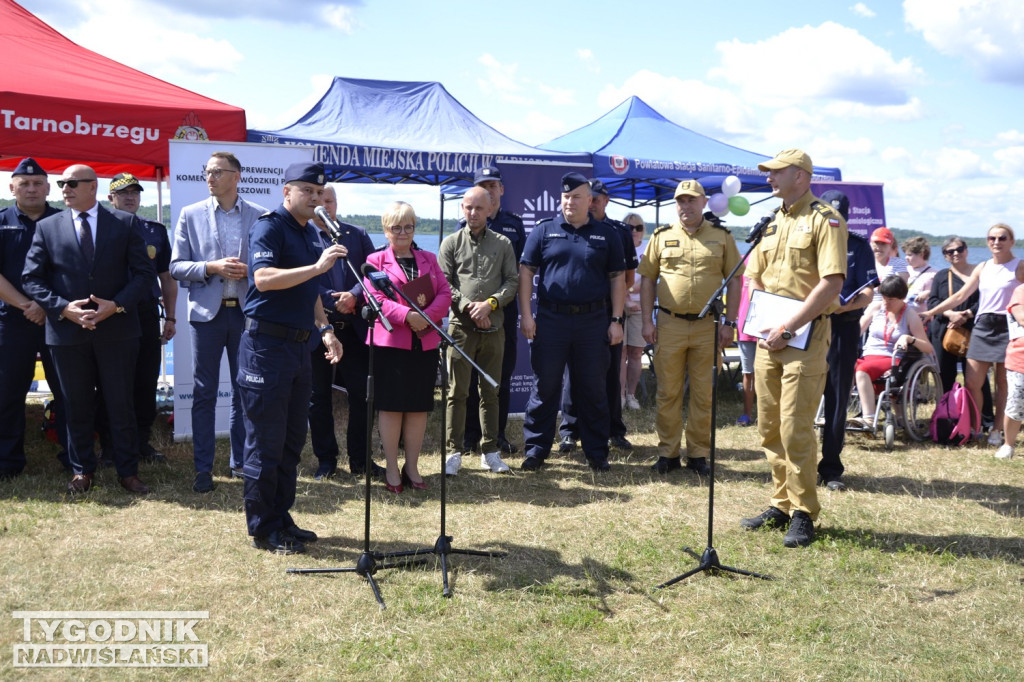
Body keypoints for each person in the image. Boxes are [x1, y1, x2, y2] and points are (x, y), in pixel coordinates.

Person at [22, 164, 156, 494]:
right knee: (76, 404)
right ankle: (82, 470)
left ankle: (128, 471)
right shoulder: (48, 227)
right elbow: (31, 278)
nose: (64, 188)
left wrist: (116, 305)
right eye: (61, 183)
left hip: (118, 332)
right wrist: (62, 308)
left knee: (120, 402)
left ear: (92, 187)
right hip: (67, 334)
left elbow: (143, 275)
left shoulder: (124, 223)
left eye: (71, 183)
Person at [741, 149, 847, 549]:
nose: (768, 177)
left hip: (804, 337)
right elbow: (756, 278)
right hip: (769, 337)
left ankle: (804, 513)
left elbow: (831, 283)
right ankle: (781, 502)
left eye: (775, 171)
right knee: (769, 426)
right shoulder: (772, 222)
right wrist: (761, 321)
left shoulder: (825, 219)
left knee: (795, 426)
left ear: (801, 176)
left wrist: (788, 327)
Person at [239, 162, 346, 555]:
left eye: (320, 194)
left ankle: (282, 517)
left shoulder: (309, 234)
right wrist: (317, 267)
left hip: (300, 347)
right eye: (308, 192)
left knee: (290, 442)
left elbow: (310, 290)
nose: (316, 199)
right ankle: (263, 528)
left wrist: (326, 330)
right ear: (287, 192)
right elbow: (264, 279)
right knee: (265, 443)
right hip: (266, 348)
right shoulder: (270, 227)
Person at [170, 151, 267, 493]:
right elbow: (176, 267)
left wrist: (249, 272)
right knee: (203, 392)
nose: (209, 177)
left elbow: (269, 268)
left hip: (244, 312)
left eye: (217, 172)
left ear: (236, 177)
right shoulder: (190, 214)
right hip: (206, 316)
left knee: (246, 390)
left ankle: (240, 463)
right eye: (206, 172)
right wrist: (211, 267)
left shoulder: (260, 215)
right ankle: (202, 470)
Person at [518, 173, 626, 472]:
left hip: (593, 321)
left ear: (589, 200)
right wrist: (527, 315)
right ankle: (536, 450)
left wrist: (616, 320)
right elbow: (526, 271)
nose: (570, 202)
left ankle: (596, 452)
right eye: (565, 197)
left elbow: (618, 278)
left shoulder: (607, 234)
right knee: (546, 386)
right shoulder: (544, 231)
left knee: (592, 388)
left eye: (576, 197)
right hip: (551, 320)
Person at [638, 179, 742, 476]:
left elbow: (735, 280)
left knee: (703, 393)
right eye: (681, 201)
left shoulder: (722, 237)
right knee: (668, 392)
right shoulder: (661, 236)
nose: (686, 206)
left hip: (707, 327)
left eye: (692, 200)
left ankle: (698, 454)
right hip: (669, 325)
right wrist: (647, 321)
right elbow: (647, 279)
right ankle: (667, 453)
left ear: (704, 202)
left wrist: (730, 323)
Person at [363, 202, 452, 493]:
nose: (403, 232)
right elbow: (375, 298)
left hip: (424, 344)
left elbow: (444, 293)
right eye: (396, 227)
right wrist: (407, 317)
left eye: (409, 226)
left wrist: (425, 317)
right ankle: (391, 467)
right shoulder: (375, 260)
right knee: (391, 407)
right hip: (391, 344)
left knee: (417, 408)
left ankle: (411, 466)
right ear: (386, 230)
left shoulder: (428, 258)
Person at [96, 172, 176, 464]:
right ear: (110, 198)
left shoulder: (154, 230)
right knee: (110, 382)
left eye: (135, 192)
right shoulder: (99, 228)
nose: (130, 197)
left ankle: (141, 442)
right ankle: (109, 446)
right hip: (111, 314)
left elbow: (166, 277)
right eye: (123, 193)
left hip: (144, 312)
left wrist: (171, 317)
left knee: (145, 380)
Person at [439, 187, 518, 476]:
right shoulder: (451, 243)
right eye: (468, 208)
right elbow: (444, 284)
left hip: (494, 327)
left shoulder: (503, 243)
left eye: (479, 209)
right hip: (461, 329)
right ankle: (453, 452)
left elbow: (512, 281)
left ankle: (490, 451)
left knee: (491, 392)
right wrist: (471, 306)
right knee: (457, 393)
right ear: (462, 208)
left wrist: (490, 305)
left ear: (490, 209)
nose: (473, 213)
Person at [307, 184, 384, 480]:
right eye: (319, 201)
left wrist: (353, 295)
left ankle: (361, 460)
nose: (325, 206)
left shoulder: (356, 234)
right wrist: (332, 299)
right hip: (319, 327)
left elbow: (372, 271)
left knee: (363, 396)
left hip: (354, 329)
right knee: (318, 398)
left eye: (330, 200)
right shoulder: (305, 235)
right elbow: (306, 279)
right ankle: (326, 460)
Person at [924, 223, 1024, 446]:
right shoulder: (983, 267)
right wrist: (932, 311)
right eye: (992, 238)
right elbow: (960, 295)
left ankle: (997, 431)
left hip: (1007, 326)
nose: (996, 242)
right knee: (972, 382)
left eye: (1002, 238)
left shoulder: (1019, 266)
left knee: (1002, 385)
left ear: (1011, 241)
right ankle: (975, 427)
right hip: (982, 326)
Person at [558, 179, 638, 454]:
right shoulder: (573, 229)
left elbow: (627, 277)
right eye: (590, 198)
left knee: (611, 372)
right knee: (573, 374)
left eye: (597, 198)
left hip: (608, 311)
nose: (592, 203)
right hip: (578, 314)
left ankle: (614, 428)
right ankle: (570, 430)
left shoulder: (618, 232)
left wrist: (612, 307)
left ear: (604, 200)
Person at [0, 158, 67, 479]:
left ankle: (75, 458)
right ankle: (8, 462)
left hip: (59, 319)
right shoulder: (1, 222)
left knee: (69, 390)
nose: (31, 188)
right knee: (8, 393)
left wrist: (47, 306)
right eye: (24, 183)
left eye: (38, 183)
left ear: (48, 187)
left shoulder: (64, 221)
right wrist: (29, 305)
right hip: (12, 320)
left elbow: (75, 272)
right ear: (11, 187)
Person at [462, 166, 526, 455]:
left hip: (503, 313)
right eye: (483, 185)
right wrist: (476, 307)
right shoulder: (463, 227)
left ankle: (497, 434)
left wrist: (495, 305)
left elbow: (520, 273)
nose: (489, 190)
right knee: (471, 376)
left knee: (501, 376)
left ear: (502, 190)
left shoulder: (514, 225)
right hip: (471, 314)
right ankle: (468, 437)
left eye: (493, 186)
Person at [816, 190, 875, 492]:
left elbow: (868, 292)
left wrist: (843, 307)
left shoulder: (858, 246)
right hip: (809, 327)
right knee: (802, 397)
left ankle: (830, 468)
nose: (834, 220)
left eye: (840, 214)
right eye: (829, 213)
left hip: (842, 328)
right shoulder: (809, 242)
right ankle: (798, 465)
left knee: (837, 400)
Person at [925, 237, 994, 427]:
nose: (956, 253)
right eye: (950, 251)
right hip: (944, 331)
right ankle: (947, 416)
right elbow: (933, 302)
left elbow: (988, 299)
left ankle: (985, 419)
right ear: (945, 256)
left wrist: (967, 314)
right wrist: (950, 314)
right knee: (945, 377)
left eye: (959, 249)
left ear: (966, 250)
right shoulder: (941, 276)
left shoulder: (980, 273)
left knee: (978, 379)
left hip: (974, 331)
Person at [851, 275, 934, 427]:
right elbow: (856, 332)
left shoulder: (910, 315)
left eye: (891, 300)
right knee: (846, 366)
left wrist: (909, 338)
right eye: (883, 298)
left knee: (862, 369)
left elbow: (928, 348)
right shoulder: (876, 308)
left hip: (892, 358)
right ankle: (838, 412)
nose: (886, 303)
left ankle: (868, 418)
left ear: (902, 298)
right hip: (869, 355)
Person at [620, 212, 647, 410]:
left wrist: (628, 289)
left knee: (636, 353)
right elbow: (613, 279)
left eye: (638, 227)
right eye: (630, 228)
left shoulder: (648, 250)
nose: (634, 231)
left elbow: (650, 281)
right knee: (620, 353)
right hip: (619, 307)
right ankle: (620, 395)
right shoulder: (618, 247)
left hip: (640, 308)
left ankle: (631, 395)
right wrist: (627, 296)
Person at [996, 281, 1024, 459]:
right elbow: (1022, 318)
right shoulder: (1021, 291)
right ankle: (1008, 445)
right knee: (1016, 404)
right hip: (1020, 359)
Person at [860, 227, 907, 328]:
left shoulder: (898, 263)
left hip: (888, 311)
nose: (879, 247)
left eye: (883, 244)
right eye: (876, 243)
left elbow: (900, 289)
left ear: (890, 246)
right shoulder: (862, 263)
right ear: (871, 243)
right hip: (863, 309)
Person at [735, 275, 758, 427]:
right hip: (746, 327)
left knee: (770, 374)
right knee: (748, 372)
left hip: (770, 327)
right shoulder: (742, 263)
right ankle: (747, 414)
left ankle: (767, 415)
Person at [902, 236, 936, 316]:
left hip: (920, 317)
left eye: (910, 255)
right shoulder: (903, 270)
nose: (906, 258)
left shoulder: (934, 274)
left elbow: (940, 296)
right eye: (906, 254)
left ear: (921, 254)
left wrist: (928, 293)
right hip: (902, 315)